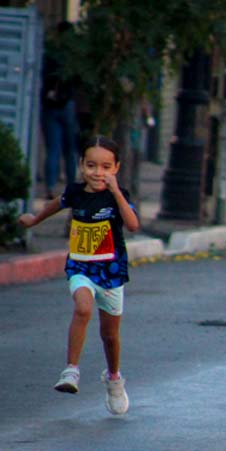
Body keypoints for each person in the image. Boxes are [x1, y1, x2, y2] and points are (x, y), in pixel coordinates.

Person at [18, 137, 139, 415]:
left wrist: (117, 193)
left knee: (110, 335)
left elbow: (132, 225)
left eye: (106, 167)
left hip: (109, 272)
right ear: (81, 166)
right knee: (82, 308)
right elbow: (55, 204)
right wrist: (34, 220)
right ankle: (71, 370)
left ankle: (114, 378)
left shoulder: (117, 197)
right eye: (92, 165)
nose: (98, 172)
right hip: (80, 267)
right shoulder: (74, 192)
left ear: (116, 168)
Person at [39, 22, 79, 200]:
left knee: (53, 149)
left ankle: (51, 187)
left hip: (50, 106)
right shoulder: (74, 55)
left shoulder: (50, 54)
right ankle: (71, 187)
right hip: (68, 105)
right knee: (70, 150)